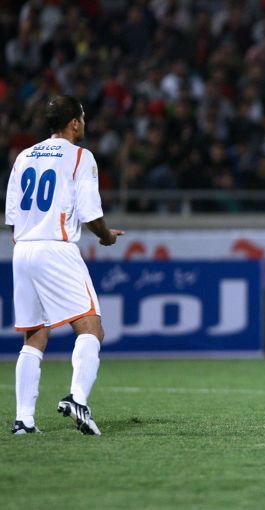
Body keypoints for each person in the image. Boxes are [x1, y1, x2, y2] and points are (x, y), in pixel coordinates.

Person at [5, 95, 124, 435]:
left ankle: (24, 420)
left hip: (23, 249)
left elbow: (12, 217)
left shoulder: (24, 156)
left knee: (34, 335)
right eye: (82, 118)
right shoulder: (80, 157)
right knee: (91, 328)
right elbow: (90, 213)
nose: (84, 124)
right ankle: (78, 399)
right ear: (74, 122)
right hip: (56, 248)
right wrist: (106, 236)